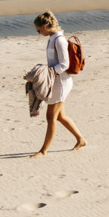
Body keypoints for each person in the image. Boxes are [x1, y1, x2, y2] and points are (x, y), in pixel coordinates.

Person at [32, 11, 86, 156]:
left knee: (51, 118)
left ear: (44, 26)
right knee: (60, 116)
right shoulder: (52, 38)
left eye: (38, 30)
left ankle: (43, 151)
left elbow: (64, 64)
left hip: (61, 83)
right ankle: (80, 140)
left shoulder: (59, 40)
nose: (38, 33)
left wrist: (48, 72)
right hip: (56, 81)